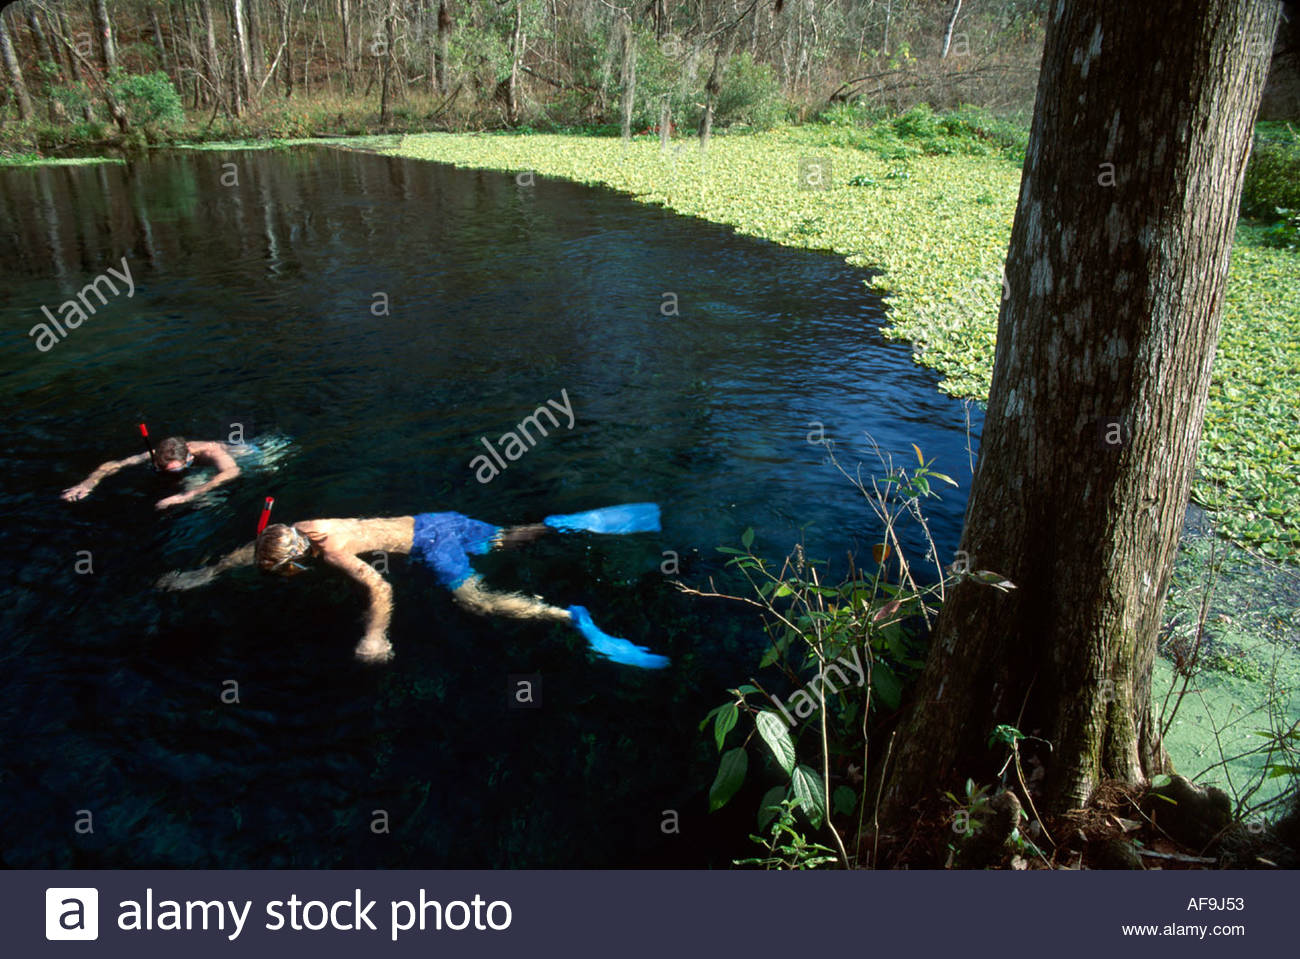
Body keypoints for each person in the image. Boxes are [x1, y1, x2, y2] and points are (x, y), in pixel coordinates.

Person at [156, 504, 671, 669]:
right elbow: (256, 549)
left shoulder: (331, 553)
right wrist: (208, 572)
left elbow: (380, 587)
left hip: (431, 546)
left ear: (295, 560)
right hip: (438, 519)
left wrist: (374, 636)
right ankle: (564, 524)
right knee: (504, 541)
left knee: (476, 602)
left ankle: (568, 617)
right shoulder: (305, 529)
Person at [62, 436, 241, 510]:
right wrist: (88, 483)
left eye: (176, 469)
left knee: (201, 497)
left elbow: (232, 471)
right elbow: (113, 465)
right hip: (199, 469)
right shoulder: (157, 455)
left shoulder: (211, 451)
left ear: (189, 458)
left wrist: (187, 496)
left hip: (248, 455)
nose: (169, 473)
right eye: (161, 468)